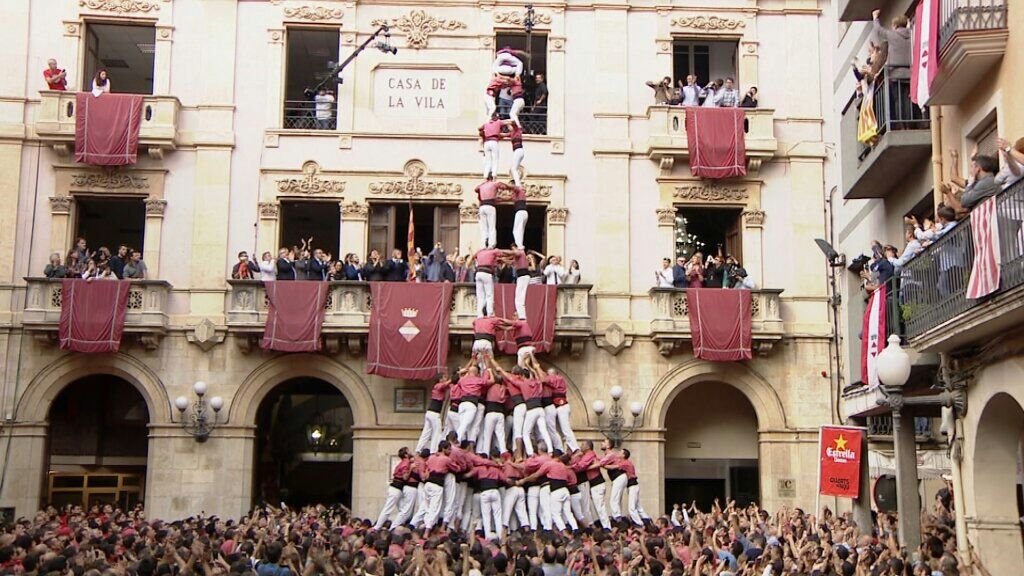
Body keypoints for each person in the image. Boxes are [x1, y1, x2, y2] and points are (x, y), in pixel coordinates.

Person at [374, 448, 412, 529]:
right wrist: (411, 468)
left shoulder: (402, 462)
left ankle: (394, 526)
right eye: (409, 451)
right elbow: (405, 477)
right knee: (389, 509)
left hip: (397, 488)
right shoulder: (406, 462)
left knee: (402, 510)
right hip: (396, 489)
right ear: (405, 454)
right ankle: (377, 527)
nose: (411, 452)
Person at [487, 48, 526, 127]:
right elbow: (519, 55)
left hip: (493, 94)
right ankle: (517, 127)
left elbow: (505, 80)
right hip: (518, 100)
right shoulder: (515, 82)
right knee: (512, 114)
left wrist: (497, 74)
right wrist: (517, 74)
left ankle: (489, 123)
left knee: (496, 110)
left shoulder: (496, 81)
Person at [416, 373, 450, 453]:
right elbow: (445, 384)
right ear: (440, 379)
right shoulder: (438, 385)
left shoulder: (440, 387)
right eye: (444, 377)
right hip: (435, 413)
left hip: (430, 413)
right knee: (437, 432)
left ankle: (418, 449)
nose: (446, 378)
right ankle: (434, 451)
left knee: (426, 432)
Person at [475, 178, 511, 249]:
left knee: (483, 228)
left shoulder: (482, 185)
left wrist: (483, 183)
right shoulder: (494, 183)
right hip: (489, 207)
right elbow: (504, 187)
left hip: (482, 207)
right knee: (491, 226)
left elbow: (476, 189)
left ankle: (483, 244)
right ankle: (491, 244)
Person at [473, 248, 502, 317]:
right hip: (486, 273)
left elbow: (474, 256)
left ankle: (479, 314)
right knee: (489, 295)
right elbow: (501, 254)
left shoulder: (480, 251)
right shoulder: (493, 251)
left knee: (480, 296)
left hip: (478, 273)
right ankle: (490, 313)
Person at [479, 115, 504, 180]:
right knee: (495, 160)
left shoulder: (486, 124)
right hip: (494, 142)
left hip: (487, 143)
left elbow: (479, 128)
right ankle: (494, 177)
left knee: (488, 161)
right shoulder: (498, 122)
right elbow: (506, 123)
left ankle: (485, 177)